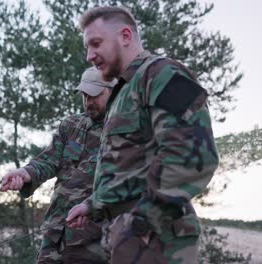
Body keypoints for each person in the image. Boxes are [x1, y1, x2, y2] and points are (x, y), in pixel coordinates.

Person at [66, 6, 220, 263]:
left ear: (125, 35)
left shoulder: (162, 74)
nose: (89, 56)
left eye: (95, 43)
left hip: (156, 240)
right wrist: (92, 204)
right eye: (86, 48)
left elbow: (193, 155)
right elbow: (129, 170)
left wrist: (140, 222)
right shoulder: (123, 92)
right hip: (132, 238)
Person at [1, 67, 115, 264]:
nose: (88, 102)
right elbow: (48, 161)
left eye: (95, 95)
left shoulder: (123, 132)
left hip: (96, 238)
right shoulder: (70, 125)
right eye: (84, 95)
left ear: (113, 91)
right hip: (56, 233)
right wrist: (25, 173)